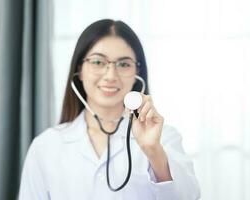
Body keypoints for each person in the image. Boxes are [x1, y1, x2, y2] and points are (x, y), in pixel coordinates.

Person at [18, 19, 200, 200]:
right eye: (98, 62)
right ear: (80, 69)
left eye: (124, 64)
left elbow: (189, 197)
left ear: (137, 74)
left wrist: (153, 150)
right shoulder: (46, 146)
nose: (111, 75)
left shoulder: (164, 138)